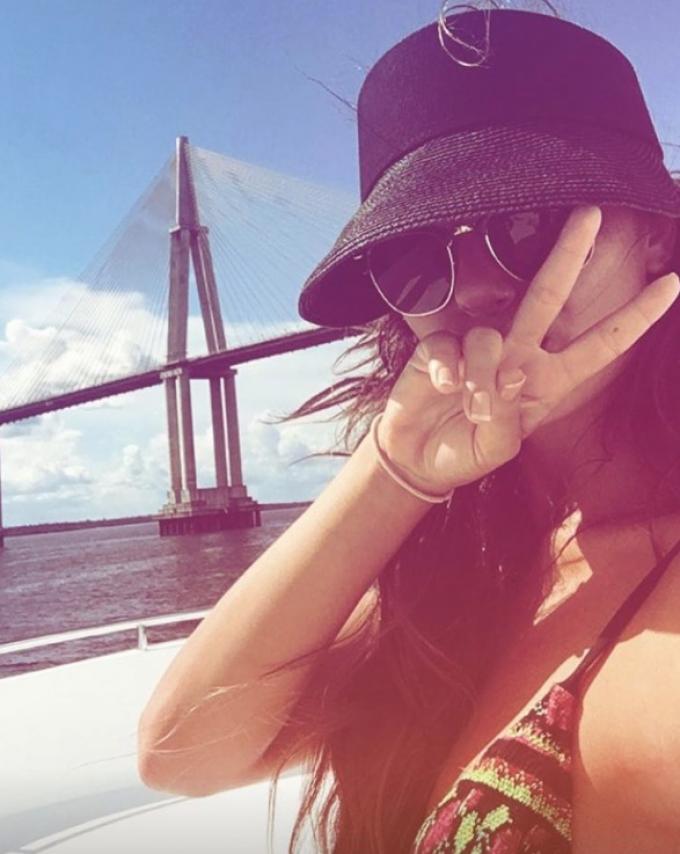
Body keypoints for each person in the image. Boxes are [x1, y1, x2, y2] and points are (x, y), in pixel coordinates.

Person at [137, 4, 680, 852]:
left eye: (526, 226)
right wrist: (396, 468)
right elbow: (182, 753)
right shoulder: (475, 568)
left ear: (658, 239)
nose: (476, 289)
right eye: (417, 260)